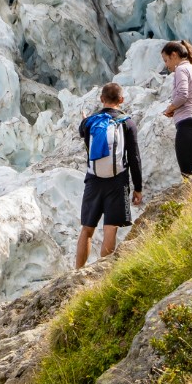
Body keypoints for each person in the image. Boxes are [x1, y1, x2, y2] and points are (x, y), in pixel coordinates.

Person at [77, 82, 143, 267]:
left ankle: (77, 272)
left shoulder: (89, 123)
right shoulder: (127, 123)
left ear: (101, 99)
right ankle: (101, 275)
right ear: (121, 100)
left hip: (93, 181)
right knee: (110, 229)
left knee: (87, 229)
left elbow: (84, 133)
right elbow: (134, 157)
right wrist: (138, 188)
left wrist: (84, 120)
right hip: (117, 181)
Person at [160, 40, 192, 177]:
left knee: (187, 176)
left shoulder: (181, 69)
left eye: (166, 60)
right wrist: (184, 109)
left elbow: (183, 94)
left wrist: (170, 108)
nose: (166, 65)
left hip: (187, 127)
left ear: (174, 55)